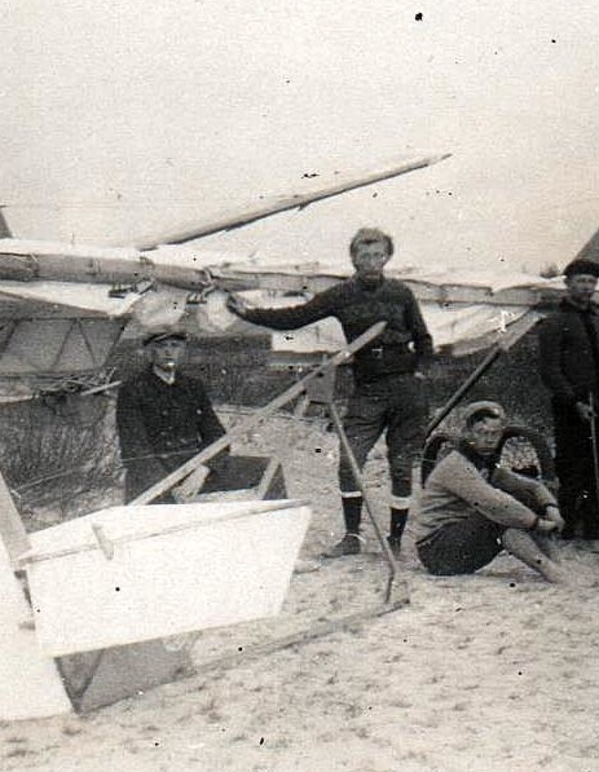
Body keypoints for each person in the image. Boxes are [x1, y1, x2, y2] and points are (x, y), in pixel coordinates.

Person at [226, 227, 432, 557]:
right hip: (368, 389)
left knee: (401, 467)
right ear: (353, 259)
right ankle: (353, 537)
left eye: (378, 255)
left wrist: (419, 374)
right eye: (364, 256)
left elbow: (424, 340)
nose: (371, 262)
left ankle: (394, 541)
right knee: (349, 462)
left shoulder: (402, 293)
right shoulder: (341, 295)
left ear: (387, 257)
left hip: (407, 388)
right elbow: (296, 317)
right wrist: (250, 313)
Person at [114, 329, 286, 503]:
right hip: (154, 474)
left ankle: (277, 524)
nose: (168, 352)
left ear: (182, 350)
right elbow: (134, 450)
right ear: (149, 352)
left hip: (193, 466)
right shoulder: (132, 390)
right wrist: (167, 487)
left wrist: (203, 470)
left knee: (269, 469)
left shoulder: (193, 387)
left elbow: (217, 436)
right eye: (161, 346)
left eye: (175, 346)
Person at [414, 401, 576, 582]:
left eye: (495, 434)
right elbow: (496, 504)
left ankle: (557, 564)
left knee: (524, 497)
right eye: (482, 433)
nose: (489, 440)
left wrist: (551, 508)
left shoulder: (484, 463)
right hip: (437, 550)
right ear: (467, 433)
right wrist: (538, 523)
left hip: (460, 542)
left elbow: (532, 486)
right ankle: (549, 570)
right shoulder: (457, 465)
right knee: (501, 516)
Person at [536, 258, 599, 541]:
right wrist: (574, 401)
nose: (587, 287)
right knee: (571, 468)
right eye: (581, 281)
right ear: (568, 284)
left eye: (592, 282)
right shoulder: (555, 323)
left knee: (597, 467)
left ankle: (592, 529)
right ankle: (565, 529)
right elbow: (550, 370)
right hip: (572, 409)